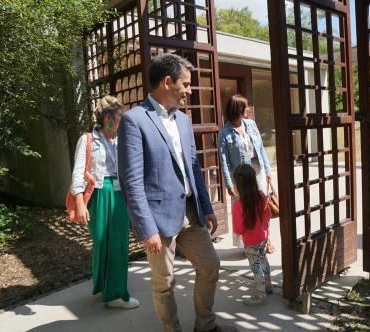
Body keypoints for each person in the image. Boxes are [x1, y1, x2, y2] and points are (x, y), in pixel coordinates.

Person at [117, 53, 238, 332]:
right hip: (158, 220)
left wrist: (206, 207)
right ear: (167, 82)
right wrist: (146, 229)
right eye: (186, 84)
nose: (190, 90)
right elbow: (131, 181)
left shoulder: (183, 121)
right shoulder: (134, 121)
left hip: (190, 213)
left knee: (210, 266)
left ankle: (205, 326)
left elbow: (194, 167)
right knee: (165, 283)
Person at [70, 96, 139, 308]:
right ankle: (105, 287)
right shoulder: (88, 139)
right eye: (120, 115)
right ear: (108, 117)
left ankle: (117, 294)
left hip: (118, 194)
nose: (123, 119)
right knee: (101, 244)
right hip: (98, 194)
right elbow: (78, 172)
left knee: (118, 244)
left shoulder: (121, 140)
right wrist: (80, 203)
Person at [218, 94, 272, 248]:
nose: (248, 108)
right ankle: (247, 243)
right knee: (244, 209)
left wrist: (268, 171)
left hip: (258, 171)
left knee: (261, 206)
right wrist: (229, 184)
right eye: (245, 106)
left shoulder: (251, 125)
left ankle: (265, 239)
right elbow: (224, 160)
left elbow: (261, 149)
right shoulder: (225, 132)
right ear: (238, 109)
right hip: (240, 177)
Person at [232, 164, 273, 306]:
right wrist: (265, 230)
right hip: (263, 236)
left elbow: (238, 228)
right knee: (264, 260)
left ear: (238, 184)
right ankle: (268, 285)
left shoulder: (238, 204)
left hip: (250, 241)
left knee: (256, 267)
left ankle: (260, 295)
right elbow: (267, 215)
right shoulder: (261, 196)